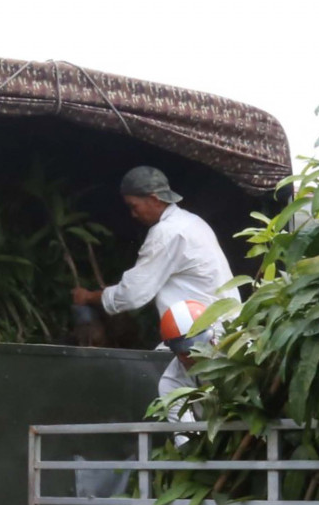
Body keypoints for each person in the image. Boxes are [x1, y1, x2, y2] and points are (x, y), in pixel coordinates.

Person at [71, 165, 240, 399]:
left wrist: (89, 297)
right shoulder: (192, 222)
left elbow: (132, 295)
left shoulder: (167, 232)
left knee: (165, 396)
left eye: (134, 206)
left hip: (202, 341)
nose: (133, 214)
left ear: (153, 199)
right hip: (226, 335)